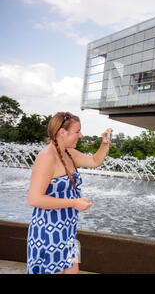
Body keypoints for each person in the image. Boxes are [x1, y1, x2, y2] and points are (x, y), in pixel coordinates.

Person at [27, 112, 112, 274]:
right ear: (62, 132)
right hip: (49, 234)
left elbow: (94, 161)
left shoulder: (68, 153)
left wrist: (105, 143)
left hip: (67, 232)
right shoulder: (46, 157)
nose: (81, 136)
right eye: (77, 132)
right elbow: (34, 198)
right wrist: (74, 203)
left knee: (74, 270)